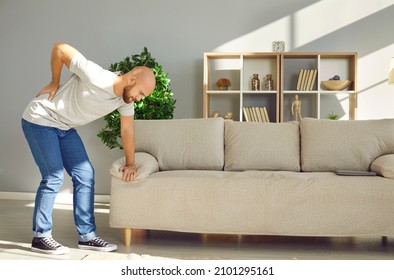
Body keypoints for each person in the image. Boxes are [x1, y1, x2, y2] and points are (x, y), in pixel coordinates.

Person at [21, 42, 156, 255]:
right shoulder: (98, 76)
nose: (138, 99)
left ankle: (87, 236)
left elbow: (127, 130)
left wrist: (131, 163)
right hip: (40, 119)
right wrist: (54, 82)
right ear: (131, 80)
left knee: (85, 174)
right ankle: (41, 236)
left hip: (64, 127)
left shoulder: (124, 100)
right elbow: (60, 48)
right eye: (140, 93)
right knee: (53, 176)